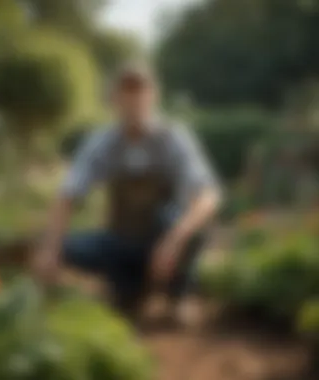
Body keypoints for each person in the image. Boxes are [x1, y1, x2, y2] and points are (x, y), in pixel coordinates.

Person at [32, 62, 223, 319]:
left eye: (141, 91)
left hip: (163, 237)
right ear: (114, 99)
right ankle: (130, 290)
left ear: (154, 95)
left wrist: (173, 240)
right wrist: (49, 248)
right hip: (123, 240)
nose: (134, 99)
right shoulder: (102, 142)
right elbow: (67, 195)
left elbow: (209, 196)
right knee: (68, 248)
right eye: (126, 91)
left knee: (185, 224)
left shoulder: (173, 138)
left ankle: (180, 294)